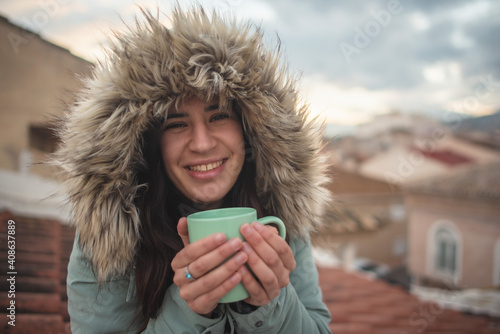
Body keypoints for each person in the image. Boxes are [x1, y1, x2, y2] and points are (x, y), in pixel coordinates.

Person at [53, 5, 332, 333]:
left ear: (249, 128)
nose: (201, 144)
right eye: (176, 123)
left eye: (219, 116)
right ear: (150, 141)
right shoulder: (109, 237)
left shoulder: (280, 216)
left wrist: (272, 303)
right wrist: (189, 312)